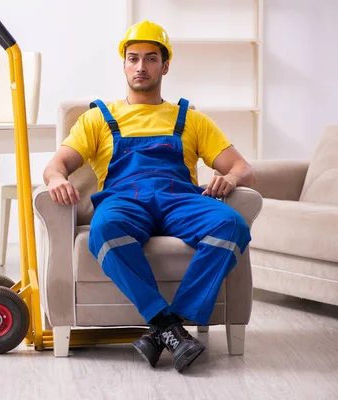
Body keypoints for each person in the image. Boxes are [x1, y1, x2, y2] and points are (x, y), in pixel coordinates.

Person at [42, 20, 256, 373]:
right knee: (105, 228)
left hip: (179, 199)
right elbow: (56, 165)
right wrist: (55, 180)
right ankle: (168, 325)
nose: (141, 66)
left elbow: (243, 168)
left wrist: (230, 178)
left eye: (151, 58)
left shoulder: (191, 119)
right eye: (133, 58)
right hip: (124, 200)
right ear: (124, 64)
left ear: (165, 65)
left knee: (230, 224)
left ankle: (166, 327)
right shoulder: (98, 119)